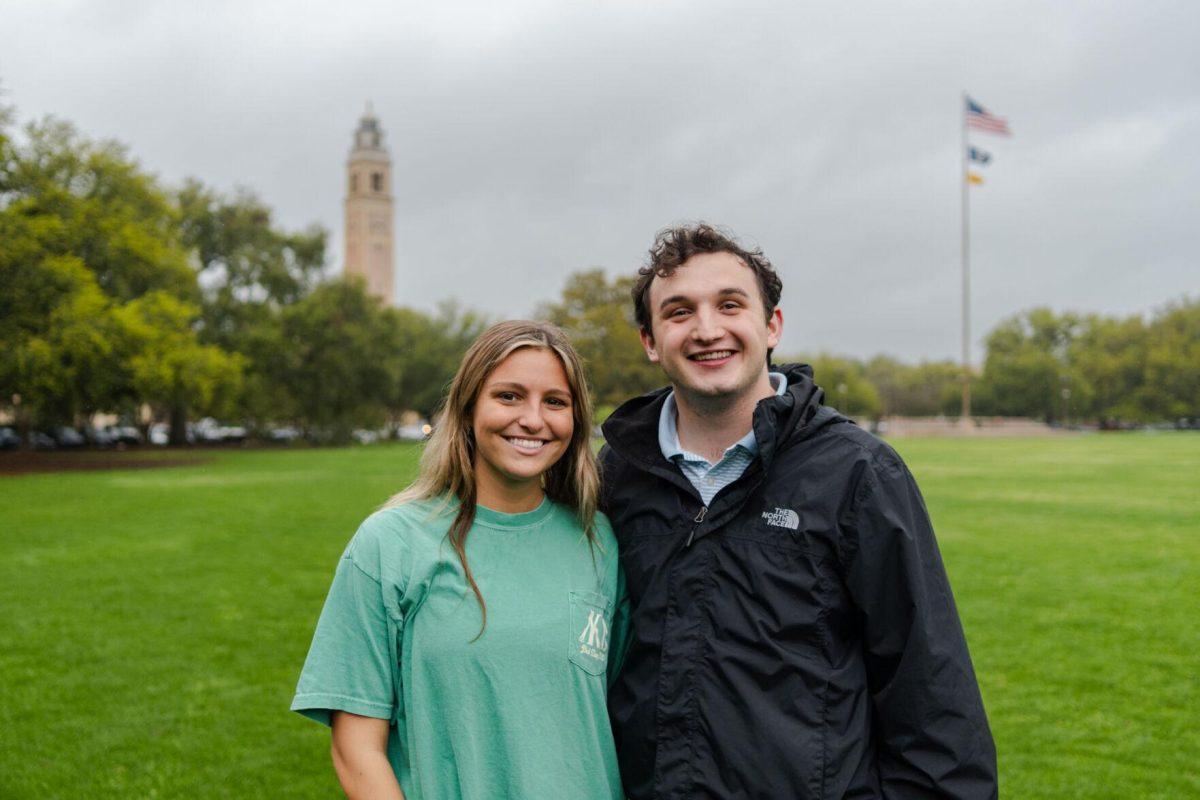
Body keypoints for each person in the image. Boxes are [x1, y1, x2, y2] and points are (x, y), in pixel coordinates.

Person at [599, 224, 998, 799]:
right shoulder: (617, 475)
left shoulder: (859, 473)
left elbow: (931, 700)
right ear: (650, 340)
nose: (707, 329)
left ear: (771, 327)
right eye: (679, 312)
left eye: (730, 305)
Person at [292, 320, 628, 800]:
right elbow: (356, 747)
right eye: (509, 396)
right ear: (468, 407)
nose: (533, 419)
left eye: (555, 401)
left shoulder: (599, 542)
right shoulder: (391, 544)